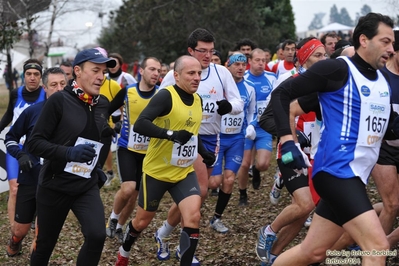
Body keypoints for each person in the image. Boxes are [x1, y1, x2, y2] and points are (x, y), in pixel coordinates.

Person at [270, 13, 394, 265]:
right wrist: (287, 140)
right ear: (363, 40)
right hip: (336, 172)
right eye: (385, 42)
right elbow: (281, 94)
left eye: (392, 43)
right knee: (377, 246)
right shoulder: (337, 69)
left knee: (312, 252)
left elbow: (390, 126)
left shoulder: (382, 81)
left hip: (356, 176)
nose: (391, 49)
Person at [114, 55, 216, 266]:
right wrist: (170, 134)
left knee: (193, 217)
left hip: (183, 172)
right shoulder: (165, 96)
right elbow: (141, 124)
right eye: (191, 73)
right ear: (176, 76)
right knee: (142, 221)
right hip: (156, 172)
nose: (197, 78)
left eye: (199, 73)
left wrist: (204, 152)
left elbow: (189, 134)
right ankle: (124, 250)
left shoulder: (197, 100)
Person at [153, 28, 243, 265]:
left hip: (211, 138)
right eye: (202, 51)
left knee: (197, 195)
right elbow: (160, 101)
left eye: (211, 51)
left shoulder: (221, 72)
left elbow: (238, 103)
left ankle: (163, 234)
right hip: (186, 138)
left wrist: (227, 107)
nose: (207, 55)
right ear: (190, 51)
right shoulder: (176, 74)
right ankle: (185, 250)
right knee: (198, 193)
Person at [27, 48, 116, 266]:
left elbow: (98, 139)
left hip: (85, 185)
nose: (100, 77)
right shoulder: (59, 101)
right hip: (54, 185)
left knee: (97, 235)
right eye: (95, 70)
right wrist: (68, 153)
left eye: (103, 72)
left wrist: (97, 169)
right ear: (77, 71)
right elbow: (34, 143)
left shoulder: (102, 103)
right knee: (45, 246)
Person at [255, 37, 327, 265]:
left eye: (325, 55)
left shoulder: (328, 83)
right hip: (289, 152)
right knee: (304, 204)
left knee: (305, 210)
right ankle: (269, 230)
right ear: (304, 59)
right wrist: (291, 132)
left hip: (318, 155)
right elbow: (265, 119)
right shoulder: (290, 83)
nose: (324, 60)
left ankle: (273, 255)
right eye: (318, 55)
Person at [4, 67, 67, 257]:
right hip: (31, 176)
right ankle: (15, 242)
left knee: (42, 233)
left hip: (55, 179)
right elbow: (10, 138)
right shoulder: (32, 112)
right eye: (53, 85)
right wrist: (21, 155)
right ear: (45, 88)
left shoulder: (76, 111)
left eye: (62, 84)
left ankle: (37, 257)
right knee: (19, 230)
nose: (58, 89)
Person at [105, 57, 161, 243]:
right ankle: (113, 218)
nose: (155, 73)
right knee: (128, 189)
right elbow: (107, 110)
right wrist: (113, 124)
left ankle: (120, 226)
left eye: (158, 71)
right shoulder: (128, 92)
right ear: (142, 71)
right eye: (152, 69)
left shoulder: (161, 95)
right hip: (127, 148)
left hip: (149, 152)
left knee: (135, 194)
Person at [208, 53, 256, 232]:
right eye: (237, 64)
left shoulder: (250, 88)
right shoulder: (219, 86)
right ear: (228, 66)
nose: (241, 67)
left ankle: (216, 218)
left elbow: (253, 112)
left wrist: (251, 125)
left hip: (237, 139)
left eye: (244, 64)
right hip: (218, 137)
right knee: (214, 182)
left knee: (228, 181)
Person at [0, 59, 46, 241]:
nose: (32, 78)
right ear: (24, 76)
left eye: (36, 74)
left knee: (39, 189)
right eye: (29, 74)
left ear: (41, 77)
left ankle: (34, 224)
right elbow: (8, 118)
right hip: (17, 148)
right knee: (14, 188)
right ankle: (15, 234)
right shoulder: (15, 93)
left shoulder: (47, 95)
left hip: (39, 149)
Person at [237, 48, 276, 205]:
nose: (261, 63)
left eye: (264, 61)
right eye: (257, 60)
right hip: (246, 128)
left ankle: (257, 170)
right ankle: (242, 194)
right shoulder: (243, 78)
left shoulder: (272, 78)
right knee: (244, 164)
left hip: (264, 128)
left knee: (264, 164)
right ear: (250, 62)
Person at [370, 29, 399, 237]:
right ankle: (374, 254)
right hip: (383, 148)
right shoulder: (380, 77)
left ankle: (370, 245)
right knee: (392, 205)